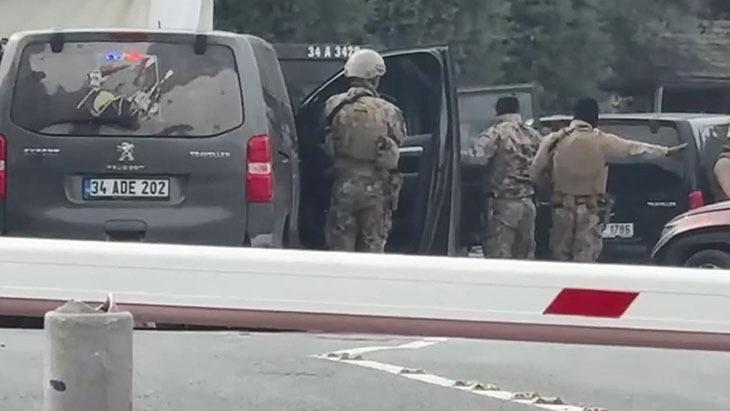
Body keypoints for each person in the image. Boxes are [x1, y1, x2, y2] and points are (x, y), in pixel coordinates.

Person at [530, 97, 687, 263]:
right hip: (589, 210)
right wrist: (666, 151)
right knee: (586, 259)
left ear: (574, 115)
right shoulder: (602, 140)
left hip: (561, 210)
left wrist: (543, 191)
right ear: (594, 116)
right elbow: (634, 148)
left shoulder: (554, 140)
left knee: (560, 258)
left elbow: (535, 172)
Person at [323, 49, 406, 253]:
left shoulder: (334, 105)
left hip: (344, 186)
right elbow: (399, 139)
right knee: (372, 250)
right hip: (377, 189)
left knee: (340, 248)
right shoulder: (389, 111)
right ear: (375, 78)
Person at [462, 96, 542, 259]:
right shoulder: (533, 135)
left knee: (499, 257)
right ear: (518, 110)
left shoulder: (495, 133)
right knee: (525, 259)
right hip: (528, 204)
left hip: (503, 204)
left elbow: (476, 159)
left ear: (497, 111)